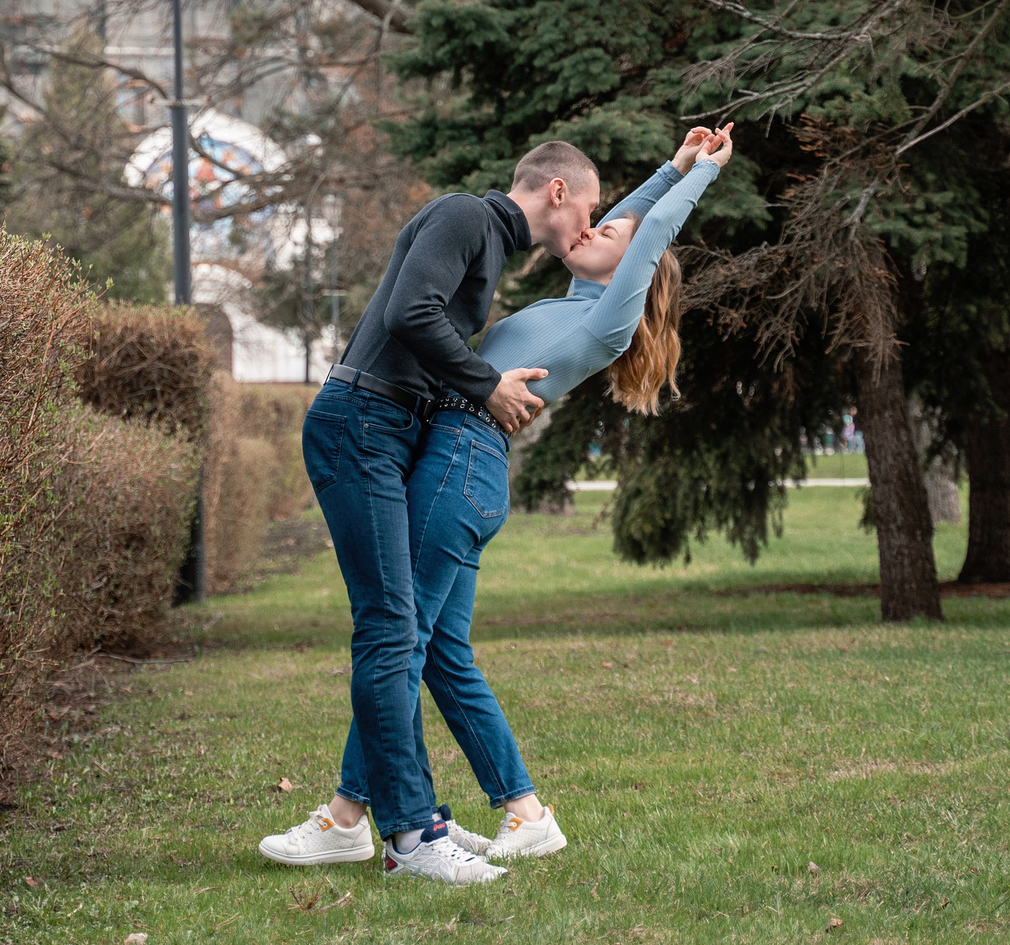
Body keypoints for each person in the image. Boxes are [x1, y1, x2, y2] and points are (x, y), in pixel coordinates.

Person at [259, 129, 733, 881]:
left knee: (401, 637)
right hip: (460, 460)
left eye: (608, 231)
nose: (596, 227)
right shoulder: (576, 297)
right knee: (435, 648)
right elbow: (616, 223)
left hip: (460, 459)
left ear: (633, 270)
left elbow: (646, 235)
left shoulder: (607, 320)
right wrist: (668, 168)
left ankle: (350, 818)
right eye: (594, 215)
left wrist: (700, 176)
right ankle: (525, 812)